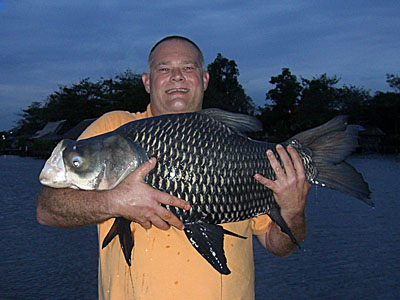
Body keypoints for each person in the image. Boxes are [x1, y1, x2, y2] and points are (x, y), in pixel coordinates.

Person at [37, 35, 310, 300]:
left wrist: (294, 211)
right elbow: (47, 210)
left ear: (204, 80)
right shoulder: (114, 130)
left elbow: (280, 246)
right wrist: (114, 201)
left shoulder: (233, 144)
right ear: (147, 81)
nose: (176, 76)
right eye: (164, 68)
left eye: (188, 68)